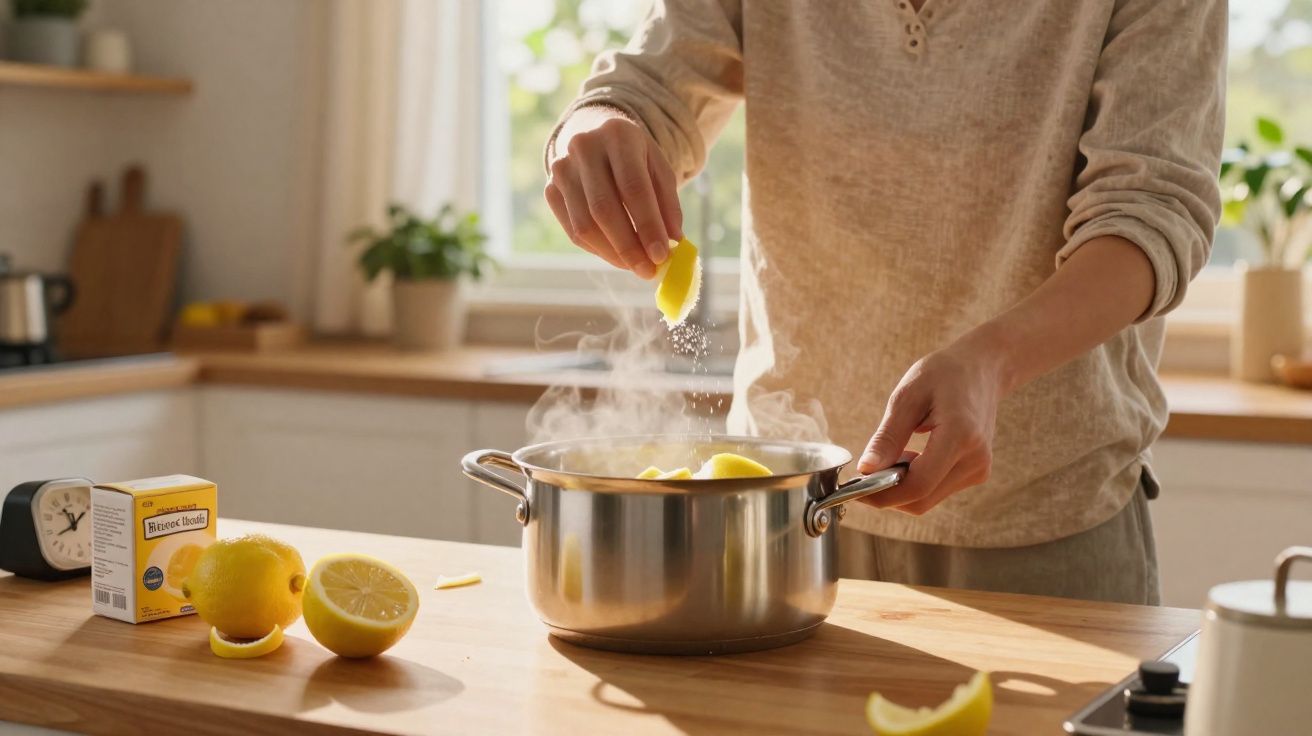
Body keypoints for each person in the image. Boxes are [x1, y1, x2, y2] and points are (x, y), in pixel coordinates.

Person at [542, 0, 1225, 605]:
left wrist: (992, 361)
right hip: (788, 513)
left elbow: (1149, 214)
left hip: (1047, 525)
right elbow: (649, 86)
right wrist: (600, 123)